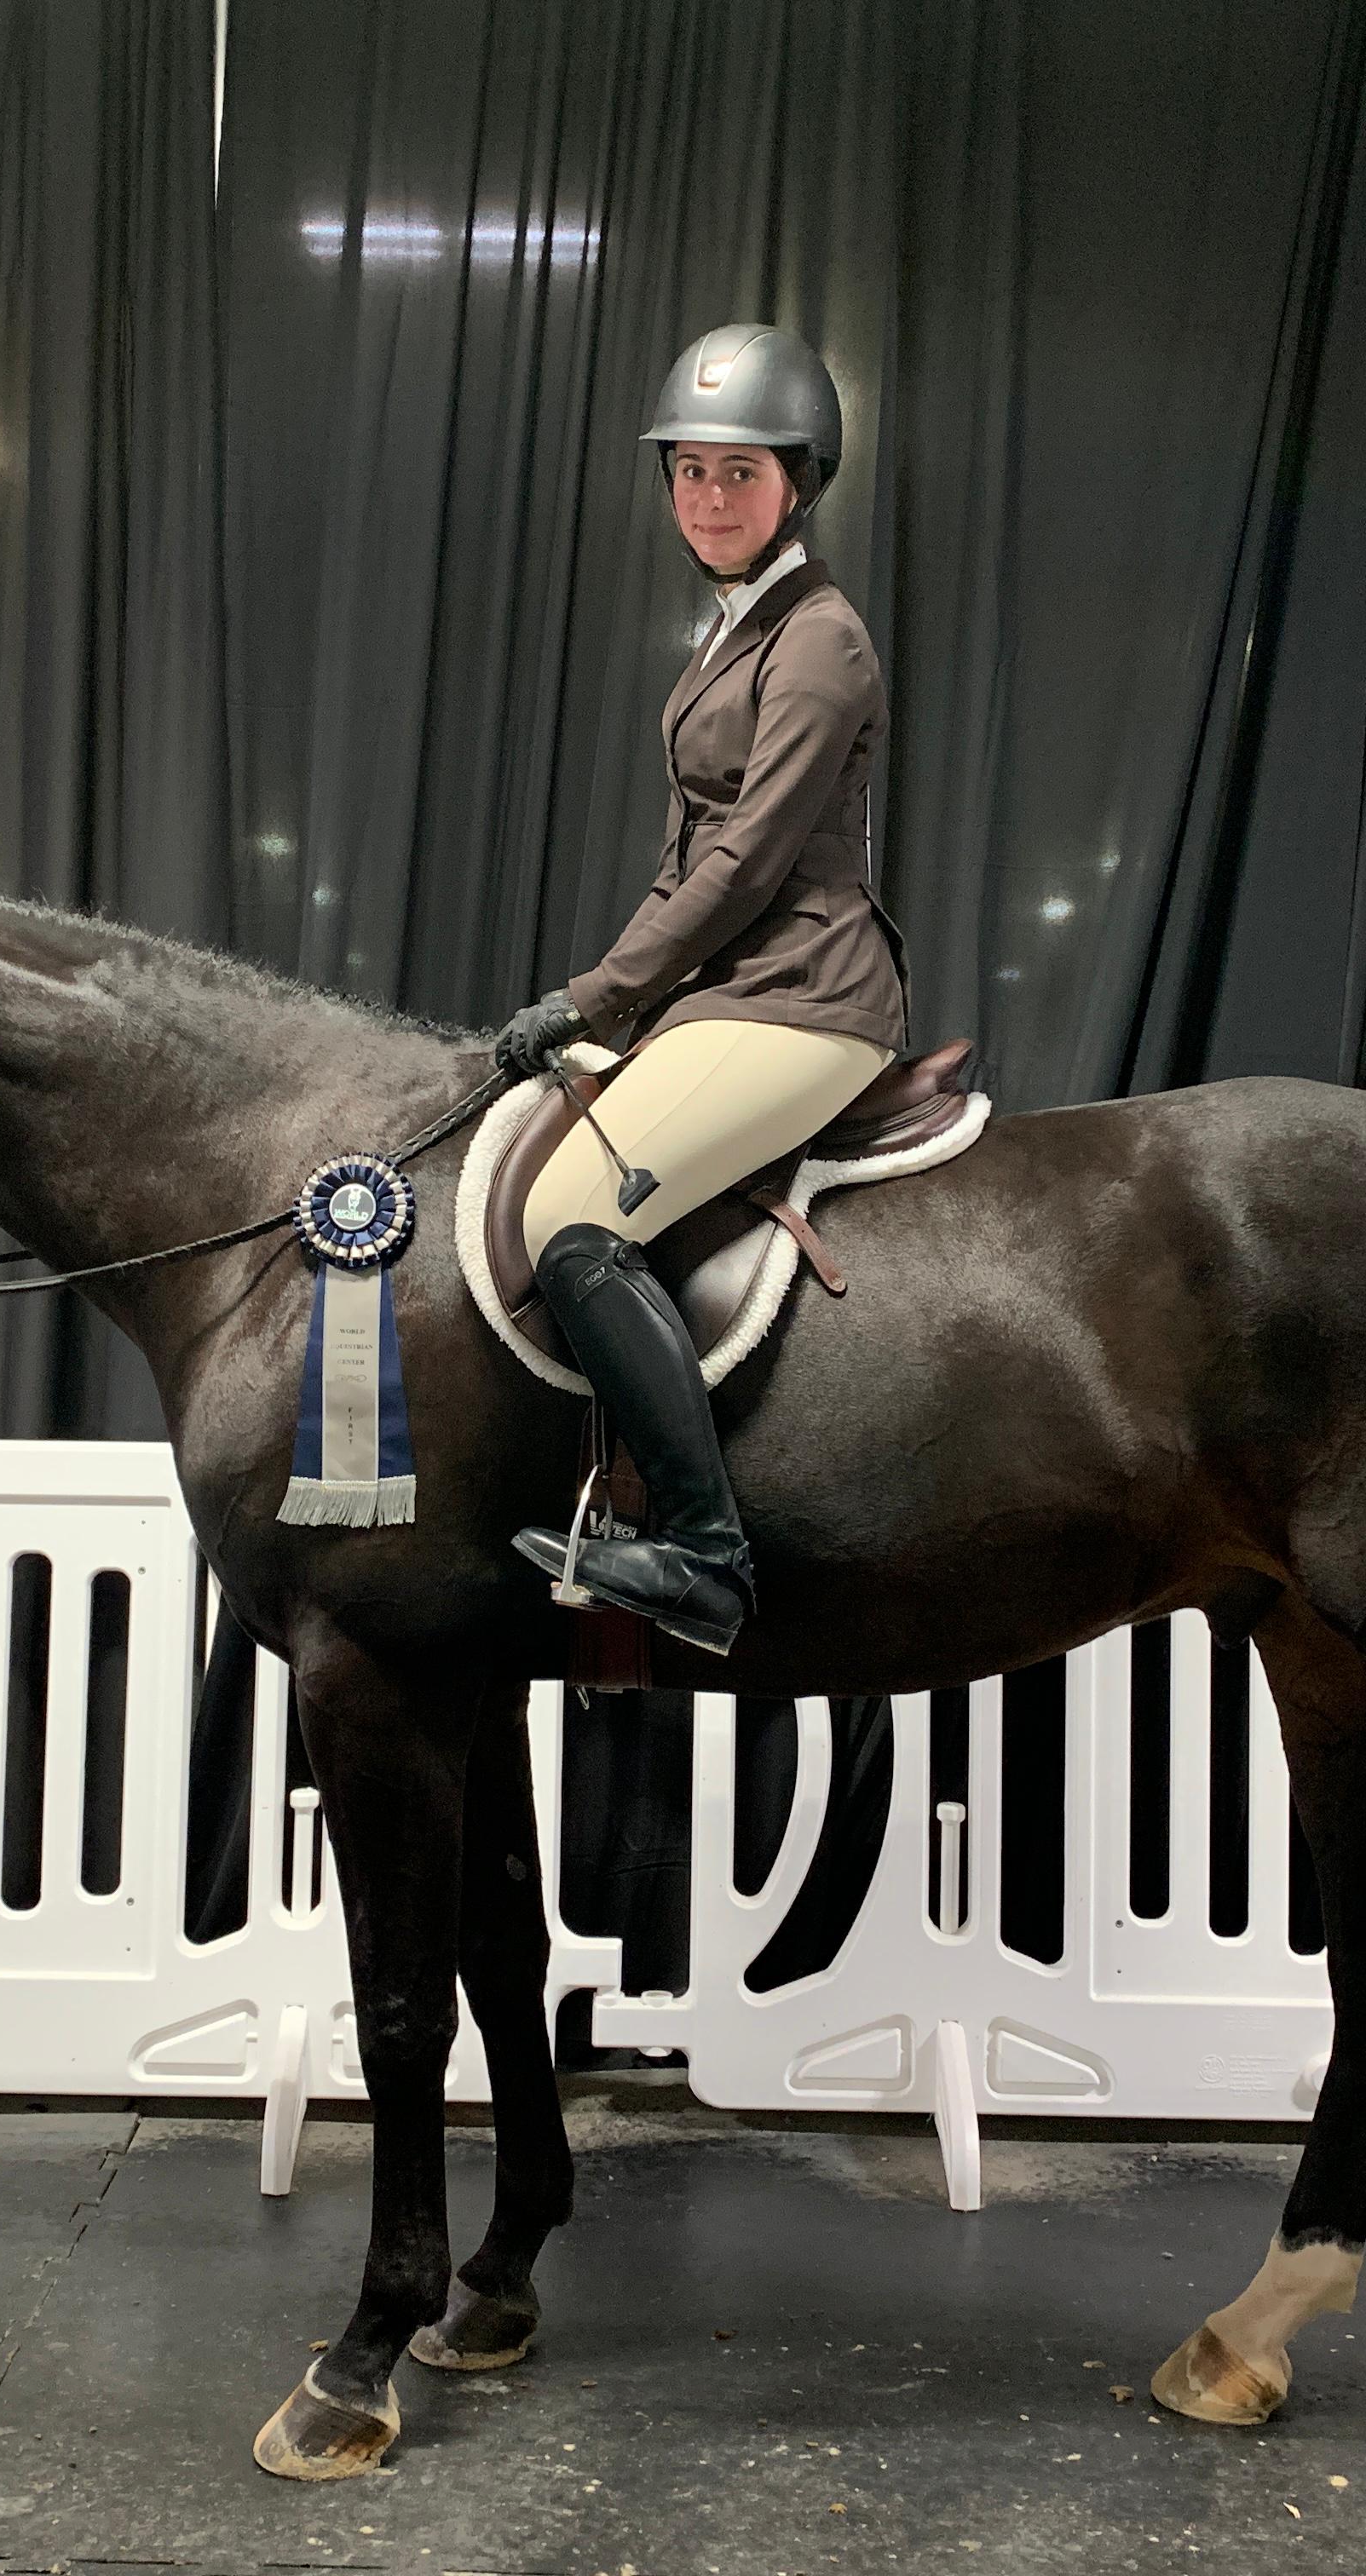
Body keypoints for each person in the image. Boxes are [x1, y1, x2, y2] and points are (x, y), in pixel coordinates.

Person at [489, 322, 910, 1654]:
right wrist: (620, 999)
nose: (711, 498)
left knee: (568, 1216)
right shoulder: (743, 629)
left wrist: (596, 997)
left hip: (807, 996)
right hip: (728, 995)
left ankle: (701, 1555)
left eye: (741, 472)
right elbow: (692, 866)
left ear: (799, 482)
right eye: (689, 472)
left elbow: (742, 865)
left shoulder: (820, 641)